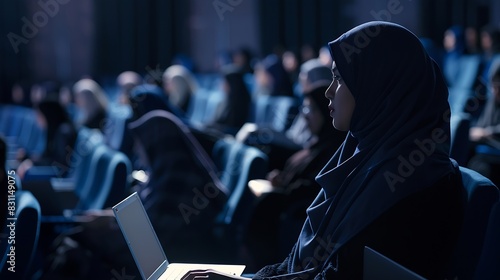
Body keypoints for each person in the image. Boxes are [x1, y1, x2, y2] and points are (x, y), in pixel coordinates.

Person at [182, 21, 464, 280]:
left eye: (340, 79)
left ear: (379, 87)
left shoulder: (414, 182)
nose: (328, 92)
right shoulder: (360, 155)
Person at [17, 99, 78, 178]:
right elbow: (49, 156)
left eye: (39, 116)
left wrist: (33, 163)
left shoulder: (64, 132)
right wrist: (28, 158)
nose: (37, 120)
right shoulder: (54, 130)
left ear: (48, 115)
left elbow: (58, 164)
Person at [468, 62, 500, 185]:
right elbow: (481, 126)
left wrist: (486, 133)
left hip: (494, 152)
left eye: (498, 87)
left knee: (480, 167)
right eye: (493, 86)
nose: (494, 91)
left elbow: (484, 131)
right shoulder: (493, 101)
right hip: (485, 149)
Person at [208, 65, 252, 135]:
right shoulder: (226, 99)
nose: (222, 85)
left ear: (232, 84)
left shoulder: (241, 102)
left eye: (225, 82)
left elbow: (234, 126)